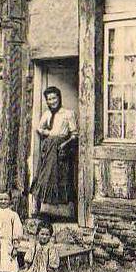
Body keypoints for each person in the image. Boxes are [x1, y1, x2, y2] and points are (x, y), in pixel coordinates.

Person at [30, 86, 78, 215]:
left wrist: (64, 145)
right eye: (49, 99)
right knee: (44, 175)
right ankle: (44, 210)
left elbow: (75, 135)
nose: (52, 101)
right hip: (48, 147)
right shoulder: (47, 114)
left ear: (59, 98)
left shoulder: (68, 114)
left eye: (54, 98)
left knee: (60, 176)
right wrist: (48, 133)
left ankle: (62, 212)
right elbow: (39, 128)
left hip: (62, 148)